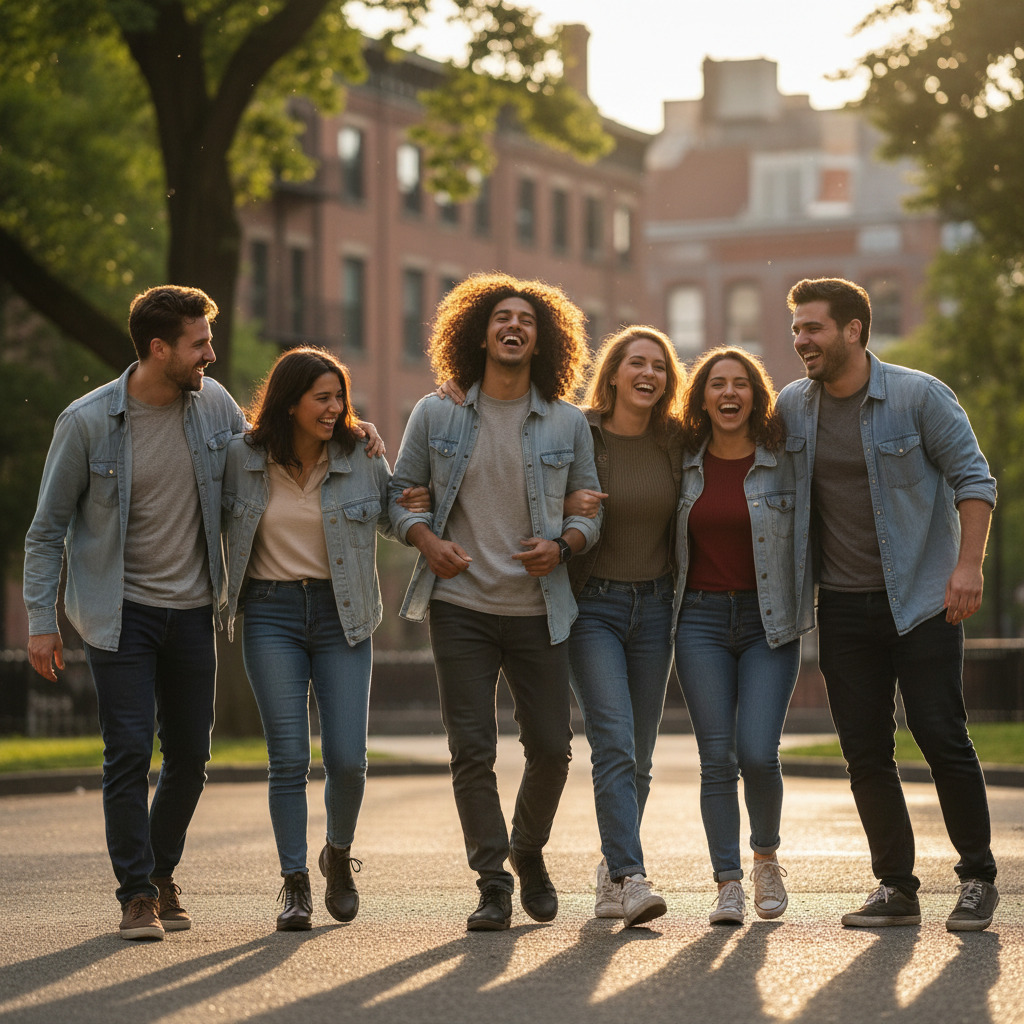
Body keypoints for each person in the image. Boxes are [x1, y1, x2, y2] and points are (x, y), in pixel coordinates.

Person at [23, 285, 246, 941]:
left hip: (194, 609)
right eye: (198, 342)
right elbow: (45, 531)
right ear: (158, 349)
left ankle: (158, 868)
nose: (211, 352)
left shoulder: (215, 406)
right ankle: (138, 894)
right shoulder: (87, 422)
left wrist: (352, 432)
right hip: (119, 613)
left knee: (190, 756)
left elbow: (264, 462)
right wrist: (42, 620)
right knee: (126, 752)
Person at [780, 277, 999, 931]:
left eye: (812, 327)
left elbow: (973, 478)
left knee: (941, 736)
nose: (801, 341)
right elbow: (725, 431)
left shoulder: (917, 395)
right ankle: (896, 889)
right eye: (795, 330)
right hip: (843, 608)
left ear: (853, 329)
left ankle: (978, 878)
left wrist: (968, 567)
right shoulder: (794, 406)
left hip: (924, 600)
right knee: (865, 752)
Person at [388, 272, 601, 931]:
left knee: (553, 748)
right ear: (480, 332)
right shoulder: (436, 413)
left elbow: (591, 509)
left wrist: (563, 545)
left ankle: (527, 850)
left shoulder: (567, 421)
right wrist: (426, 540)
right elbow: (397, 496)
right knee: (471, 747)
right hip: (462, 608)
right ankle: (492, 883)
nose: (514, 326)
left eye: (527, 320)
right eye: (502, 317)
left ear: (542, 341)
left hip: (541, 608)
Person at [221, 347, 394, 931]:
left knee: (348, 760)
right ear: (289, 402)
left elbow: (398, 513)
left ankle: (337, 855)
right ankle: (294, 884)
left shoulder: (359, 455)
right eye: (322, 397)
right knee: (288, 758)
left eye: (339, 398)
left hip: (341, 614)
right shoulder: (240, 458)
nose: (336, 408)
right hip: (270, 613)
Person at [672, 346, 814, 926]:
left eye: (741, 384)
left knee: (757, 752)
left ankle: (765, 859)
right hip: (698, 621)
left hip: (768, 622)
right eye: (717, 384)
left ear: (757, 395)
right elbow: (604, 426)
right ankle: (727, 882)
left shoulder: (786, 460)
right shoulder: (679, 458)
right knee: (715, 758)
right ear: (701, 397)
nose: (729, 394)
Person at [562, 326, 685, 927]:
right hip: (593, 608)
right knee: (612, 742)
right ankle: (630, 877)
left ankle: (612, 868)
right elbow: (514, 422)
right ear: (612, 373)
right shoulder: (576, 430)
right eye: (636, 363)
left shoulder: (677, 441)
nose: (649, 373)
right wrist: (457, 388)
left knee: (639, 756)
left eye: (659, 366)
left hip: (657, 606)